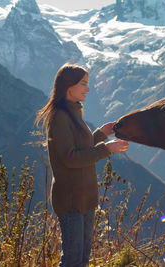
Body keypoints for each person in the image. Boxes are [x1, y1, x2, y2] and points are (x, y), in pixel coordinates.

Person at [35, 63, 129, 267]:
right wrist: (106, 149)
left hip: (85, 198)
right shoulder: (59, 117)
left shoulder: (74, 111)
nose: (88, 88)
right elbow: (70, 157)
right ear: (69, 87)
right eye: (84, 84)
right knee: (72, 260)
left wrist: (100, 134)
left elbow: (80, 147)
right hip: (70, 200)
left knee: (82, 258)